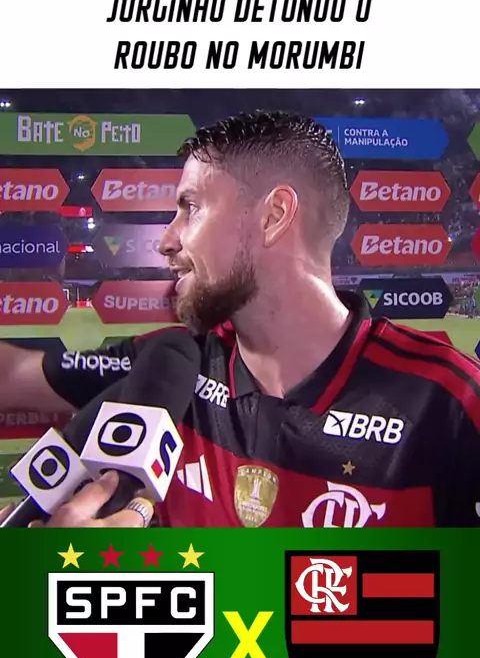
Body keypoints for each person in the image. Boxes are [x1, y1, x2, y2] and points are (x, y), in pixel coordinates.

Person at [2, 110, 480, 528]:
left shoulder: (449, 401)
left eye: (191, 208)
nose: (166, 241)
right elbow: (13, 375)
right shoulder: (169, 369)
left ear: (274, 216)